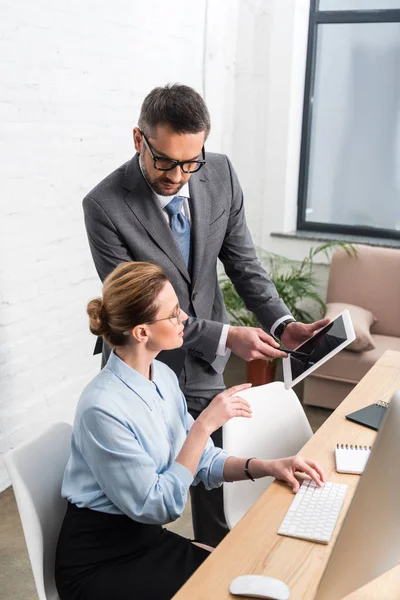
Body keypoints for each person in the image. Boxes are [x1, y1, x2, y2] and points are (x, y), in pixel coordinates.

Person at [83, 83, 329, 546]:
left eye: (191, 161)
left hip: (205, 364)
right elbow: (138, 306)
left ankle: (216, 564)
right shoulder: (104, 206)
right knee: (146, 505)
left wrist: (282, 322)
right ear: (139, 139)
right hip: (149, 362)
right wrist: (227, 336)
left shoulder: (219, 174)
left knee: (216, 495)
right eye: (166, 161)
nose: (179, 175)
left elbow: (242, 263)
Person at [55, 262, 326, 600]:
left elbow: (203, 460)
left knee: (250, 581)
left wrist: (268, 466)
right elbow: (160, 506)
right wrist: (204, 425)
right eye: (172, 315)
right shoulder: (102, 408)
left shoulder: (163, 377)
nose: (183, 319)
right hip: (101, 563)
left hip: (147, 541)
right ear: (141, 332)